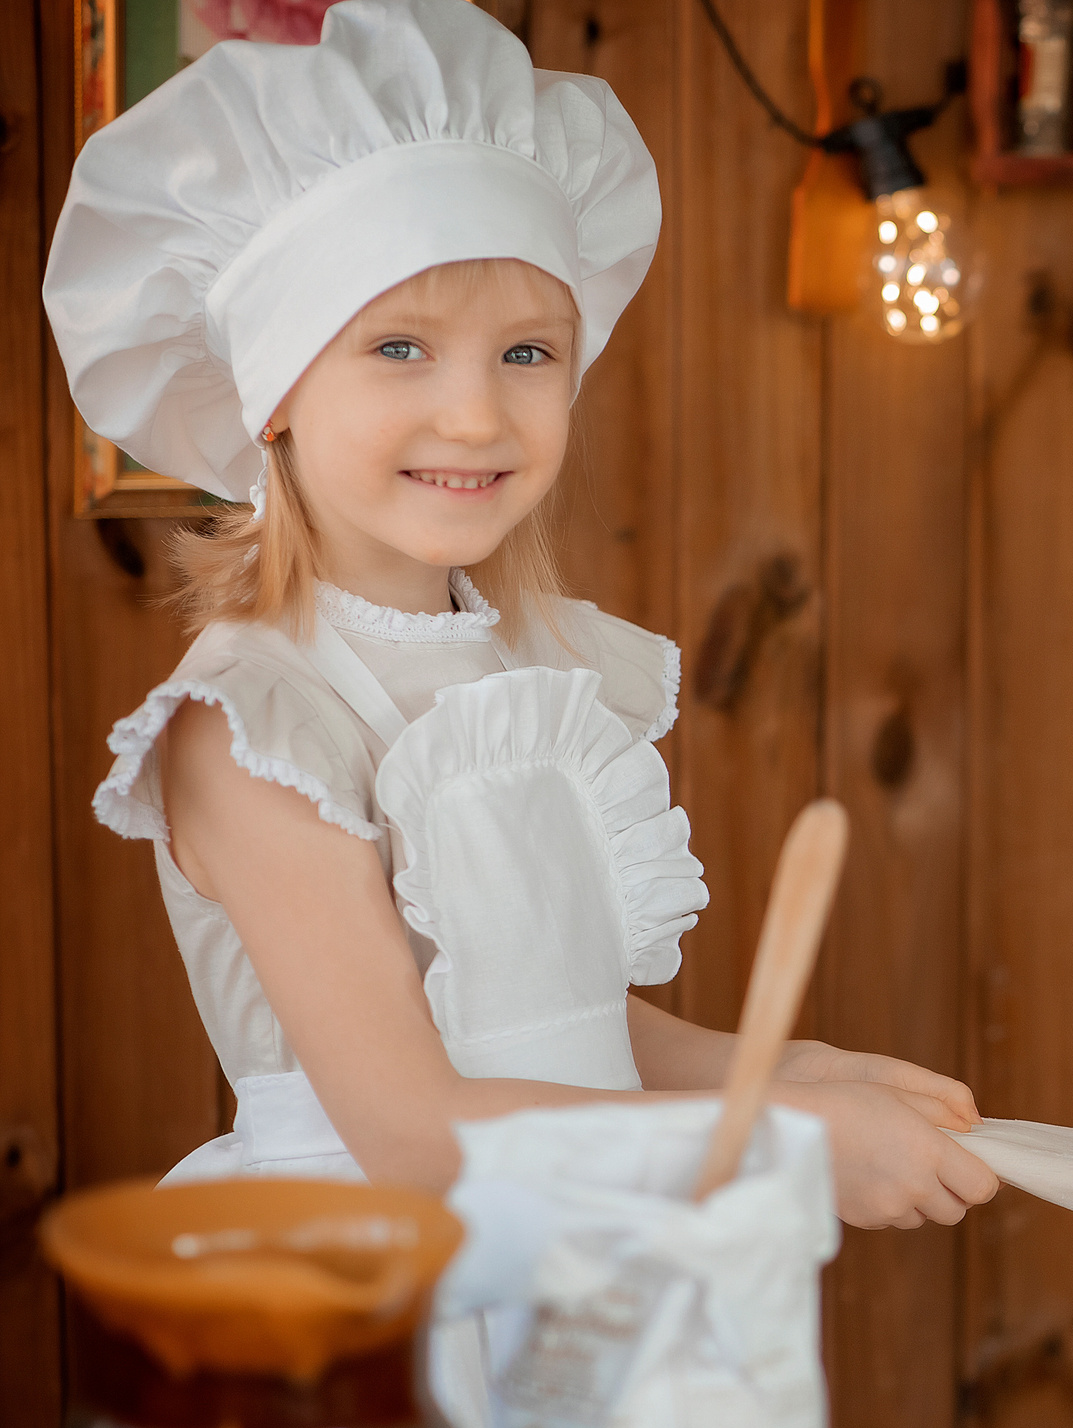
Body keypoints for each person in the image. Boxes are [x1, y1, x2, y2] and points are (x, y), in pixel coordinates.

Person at [44, 0, 998, 1232]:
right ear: (272, 393)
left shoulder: (519, 663)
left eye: (529, 354)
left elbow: (545, 1023)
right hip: (387, 1294)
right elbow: (414, 1132)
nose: (479, 416)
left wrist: (785, 1072)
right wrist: (775, 1138)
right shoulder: (253, 725)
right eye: (398, 347)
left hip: (571, 1251)